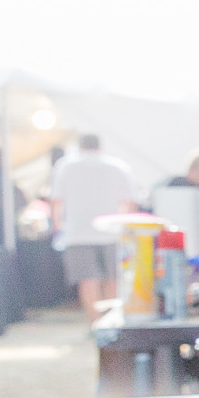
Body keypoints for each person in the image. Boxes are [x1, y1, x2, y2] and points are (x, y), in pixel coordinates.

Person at [48, 133, 140, 315]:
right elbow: (131, 200)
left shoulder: (66, 166)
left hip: (78, 232)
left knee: (87, 280)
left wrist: (57, 224)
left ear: (80, 146)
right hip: (113, 231)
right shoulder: (117, 166)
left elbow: (56, 199)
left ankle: (95, 323)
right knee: (112, 279)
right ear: (100, 146)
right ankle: (111, 321)